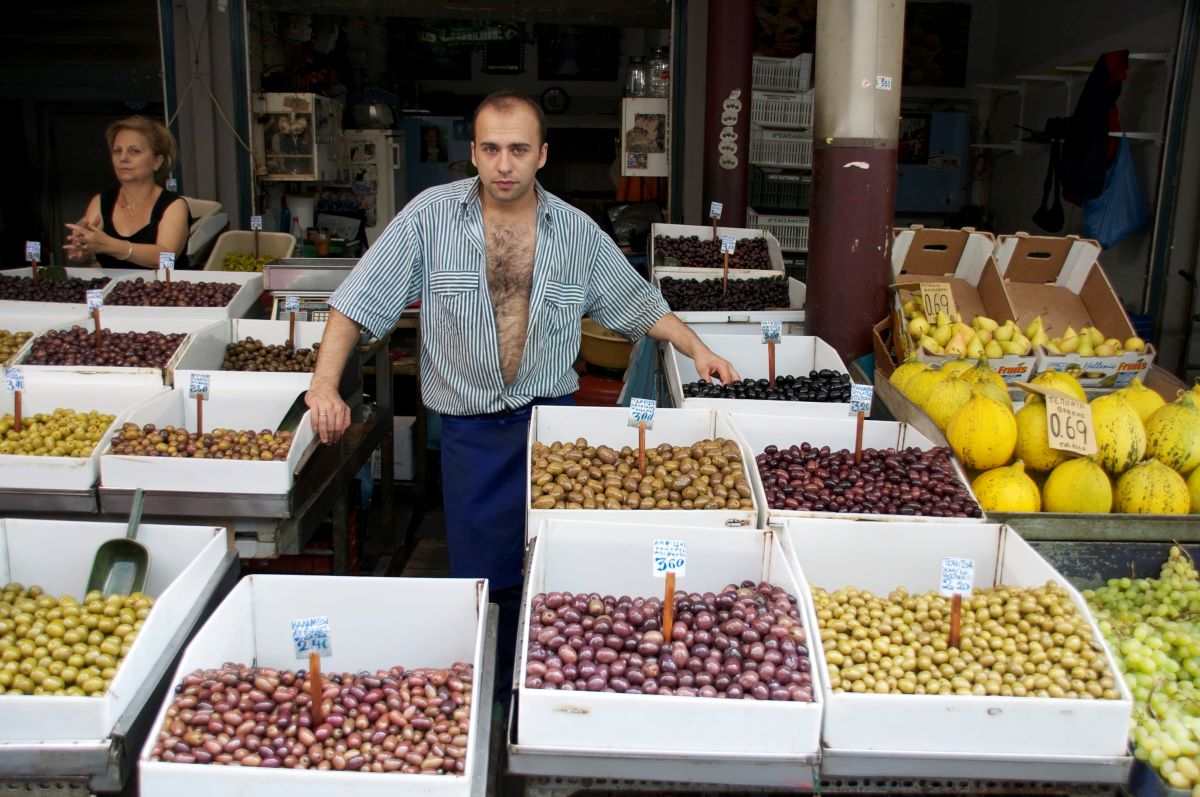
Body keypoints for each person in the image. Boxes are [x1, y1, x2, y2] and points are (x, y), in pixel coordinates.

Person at [305, 90, 739, 695]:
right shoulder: (429, 218)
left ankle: (540, 686)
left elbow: (639, 305)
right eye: (490, 149)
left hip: (549, 430)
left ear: (542, 155)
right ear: (474, 154)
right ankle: (489, 689)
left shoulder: (576, 233)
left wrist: (700, 350)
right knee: (482, 575)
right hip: (470, 432)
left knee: (547, 568)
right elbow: (355, 302)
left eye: (517, 149)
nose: (503, 164)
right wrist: (324, 384)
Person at [63, 116, 190, 269]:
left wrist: (108, 245)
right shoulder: (100, 201)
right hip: (115, 290)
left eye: (134, 151)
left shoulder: (174, 205)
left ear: (157, 161)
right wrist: (82, 252)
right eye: (117, 151)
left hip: (163, 290)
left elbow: (165, 258)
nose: (123, 158)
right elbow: (87, 256)